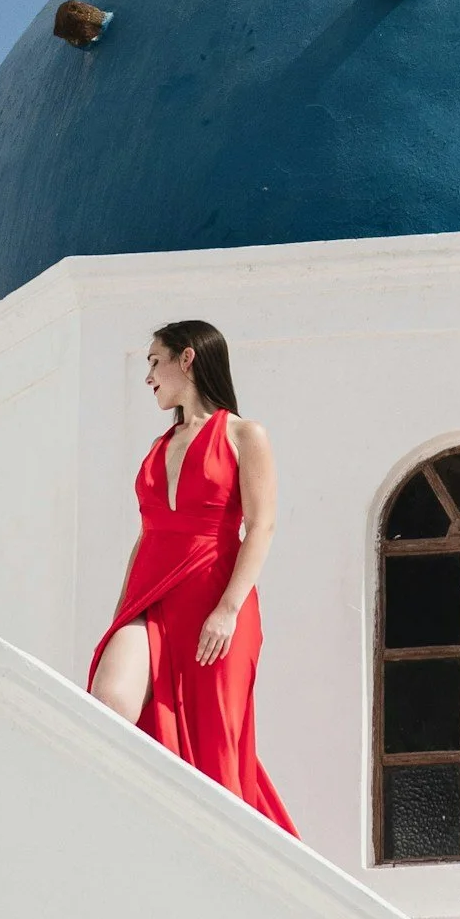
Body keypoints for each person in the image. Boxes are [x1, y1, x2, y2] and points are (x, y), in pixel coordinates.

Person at [89, 320, 297, 831]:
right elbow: (146, 535)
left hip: (216, 598)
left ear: (187, 359)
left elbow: (262, 525)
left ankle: (235, 862)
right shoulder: (159, 447)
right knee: (108, 699)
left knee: (215, 745)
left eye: (154, 362)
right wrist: (123, 614)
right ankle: (139, 829)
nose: (148, 377)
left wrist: (227, 610)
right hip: (152, 596)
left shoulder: (245, 435)